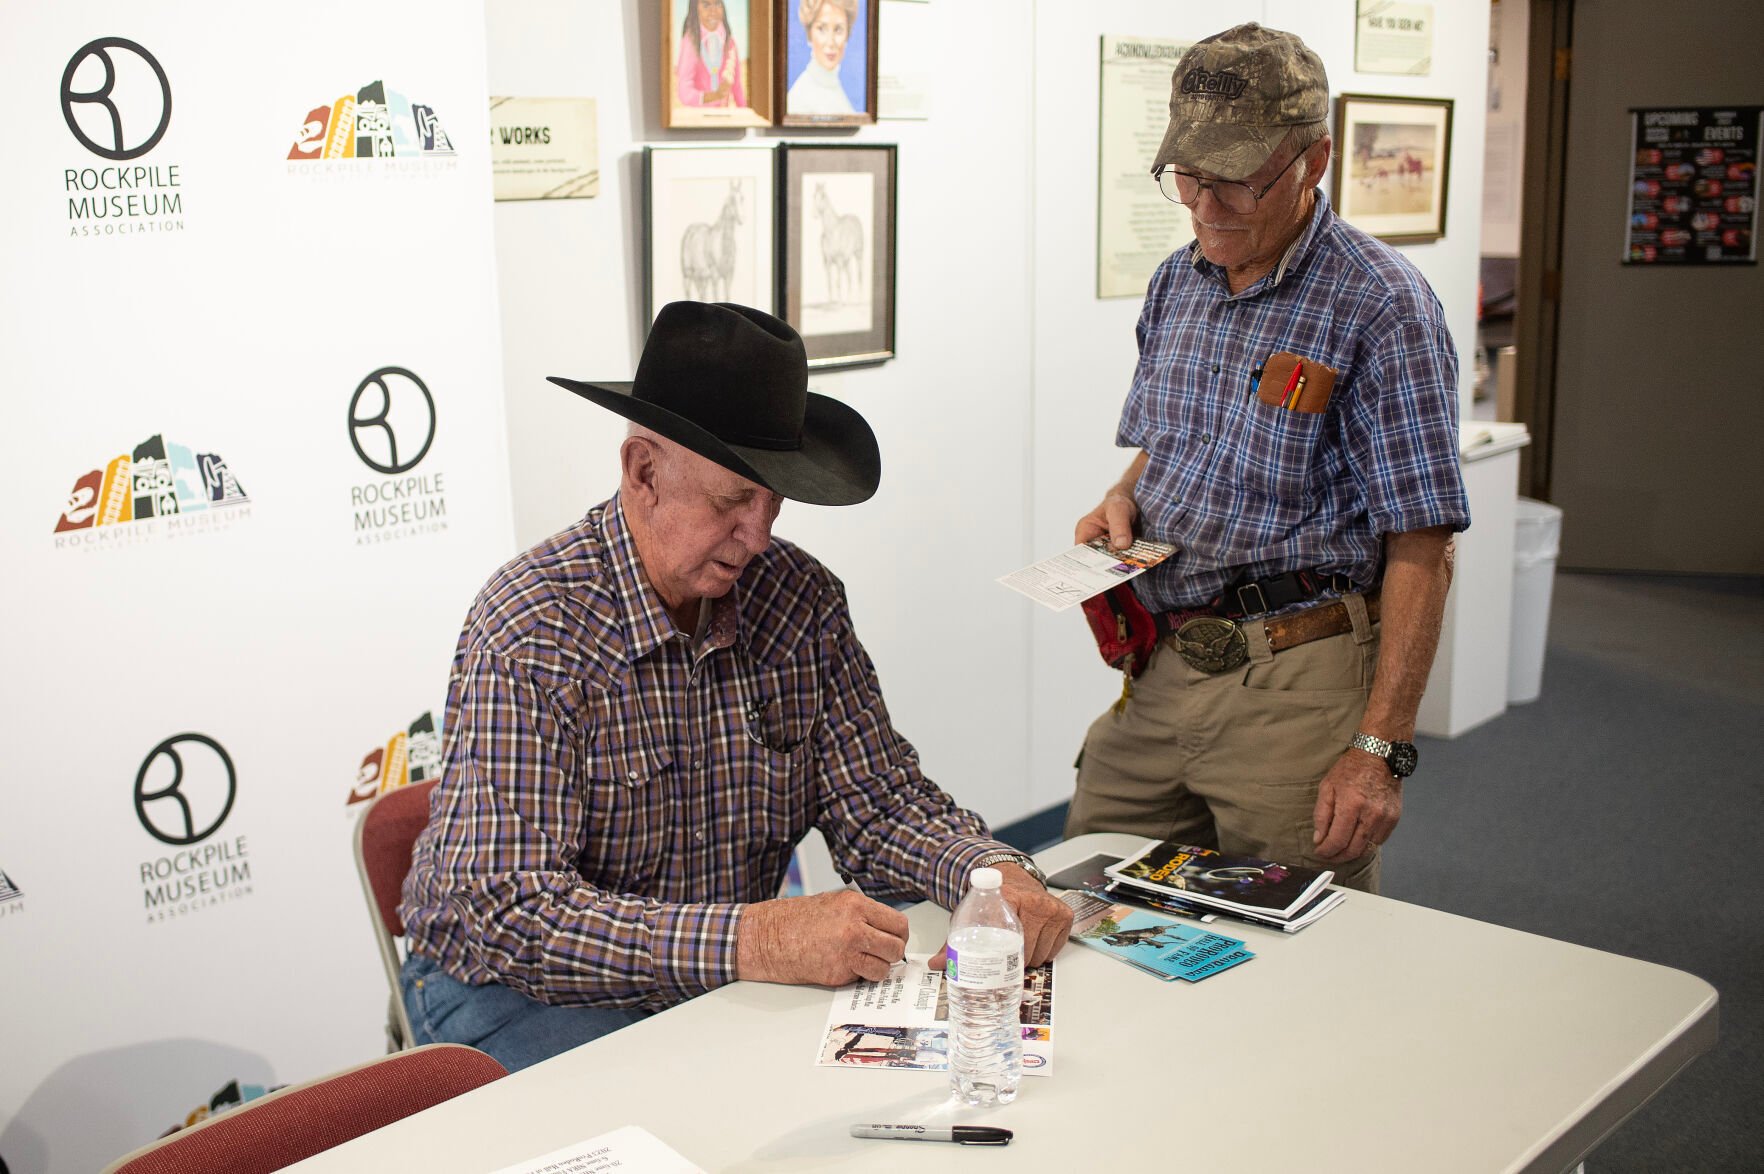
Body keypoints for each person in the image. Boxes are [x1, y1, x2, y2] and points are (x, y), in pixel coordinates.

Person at [399, 301, 1072, 1072]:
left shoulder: (799, 601)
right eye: (731, 502)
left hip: (715, 977)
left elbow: (879, 803)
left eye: (773, 502)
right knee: (681, 1131)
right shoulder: (533, 629)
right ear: (643, 472)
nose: (758, 537)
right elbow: (515, 916)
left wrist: (988, 879)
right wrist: (757, 939)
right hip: (518, 989)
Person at [1066, 23, 1471, 894]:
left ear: (1313, 161)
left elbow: (1424, 544)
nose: (1208, 208)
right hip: (1167, 661)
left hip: (1299, 676)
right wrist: (1122, 496)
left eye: (1238, 183)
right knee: (1089, 899)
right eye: (1190, 179)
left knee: (1297, 952)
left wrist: (1379, 749)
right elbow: (1171, 442)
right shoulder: (1179, 281)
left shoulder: (1381, 306)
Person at [786, 0, 857, 115]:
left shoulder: (836, 90)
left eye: (838, 29)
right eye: (821, 29)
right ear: (809, 34)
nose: (830, 42)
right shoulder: (799, 99)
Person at [675, 0, 745, 109]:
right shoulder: (690, 42)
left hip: (723, 119)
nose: (713, 11)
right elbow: (684, 93)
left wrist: (746, 116)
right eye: (706, 5)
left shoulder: (729, 43)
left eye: (717, 4)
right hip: (697, 118)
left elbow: (737, 89)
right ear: (695, 10)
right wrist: (714, 96)